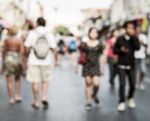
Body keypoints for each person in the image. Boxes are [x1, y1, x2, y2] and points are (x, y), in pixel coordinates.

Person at [24, 17, 57, 109]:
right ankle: (44, 97)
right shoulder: (49, 34)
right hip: (46, 61)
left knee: (35, 81)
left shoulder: (32, 33)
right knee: (45, 81)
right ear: (45, 23)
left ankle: (36, 102)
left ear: (37, 23)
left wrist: (26, 56)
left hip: (33, 60)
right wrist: (55, 60)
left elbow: (26, 46)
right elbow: (54, 48)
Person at [114, 21, 140, 112]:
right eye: (128, 27)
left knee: (133, 84)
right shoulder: (120, 38)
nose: (130, 29)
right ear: (125, 28)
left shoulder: (134, 38)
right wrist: (121, 50)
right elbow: (114, 50)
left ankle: (130, 97)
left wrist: (133, 36)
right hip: (121, 65)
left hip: (131, 65)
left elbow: (138, 48)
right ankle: (121, 102)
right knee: (122, 84)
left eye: (132, 28)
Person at [79, 27, 103, 110]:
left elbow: (102, 55)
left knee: (96, 84)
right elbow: (81, 54)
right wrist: (77, 66)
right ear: (89, 33)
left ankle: (94, 95)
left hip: (96, 65)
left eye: (95, 32)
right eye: (92, 32)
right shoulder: (85, 43)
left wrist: (103, 67)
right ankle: (89, 102)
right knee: (88, 83)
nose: (94, 34)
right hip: (87, 65)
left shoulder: (100, 44)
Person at [2, 27, 24, 104]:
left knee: (9, 79)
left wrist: (3, 65)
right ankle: (17, 95)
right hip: (17, 59)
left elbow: (4, 51)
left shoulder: (7, 40)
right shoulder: (19, 40)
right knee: (17, 78)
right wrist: (22, 62)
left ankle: (11, 97)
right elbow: (21, 52)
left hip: (8, 58)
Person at [135, 26, 148, 90]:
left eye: (139, 30)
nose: (138, 31)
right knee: (136, 71)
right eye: (136, 30)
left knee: (143, 70)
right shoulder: (133, 36)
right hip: (135, 56)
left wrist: (141, 42)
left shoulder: (143, 36)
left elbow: (146, 45)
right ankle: (136, 83)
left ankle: (141, 83)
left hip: (142, 56)